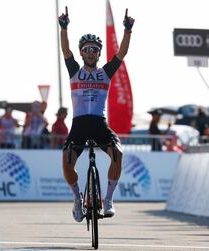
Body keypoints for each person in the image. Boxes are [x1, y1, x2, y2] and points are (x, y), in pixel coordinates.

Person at [58, 6, 134, 222]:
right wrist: (64, 28)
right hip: (79, 125)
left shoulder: (105, 73)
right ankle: (76, 198)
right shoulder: (75, 70)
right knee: (66, 163)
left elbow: (121, 54)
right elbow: (65, 51)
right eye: (87, 49)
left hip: (100, 124)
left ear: (99, 53)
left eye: (94, 49)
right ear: (82, 52)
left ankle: (108, 199)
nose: (91, 52)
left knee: (118, 155)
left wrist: (127, 31)